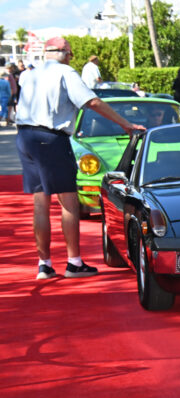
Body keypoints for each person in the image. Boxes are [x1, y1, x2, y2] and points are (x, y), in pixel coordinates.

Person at [16, 37, 145, 280]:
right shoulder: (65, 72)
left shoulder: (30, 74)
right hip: (50, 138)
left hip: (25, 136)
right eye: (71, 54)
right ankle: (74, 262)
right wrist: (126, 125)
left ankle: (44, 264)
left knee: (40, 202)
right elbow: (92, 102)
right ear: (65, 53)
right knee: (69, 201)